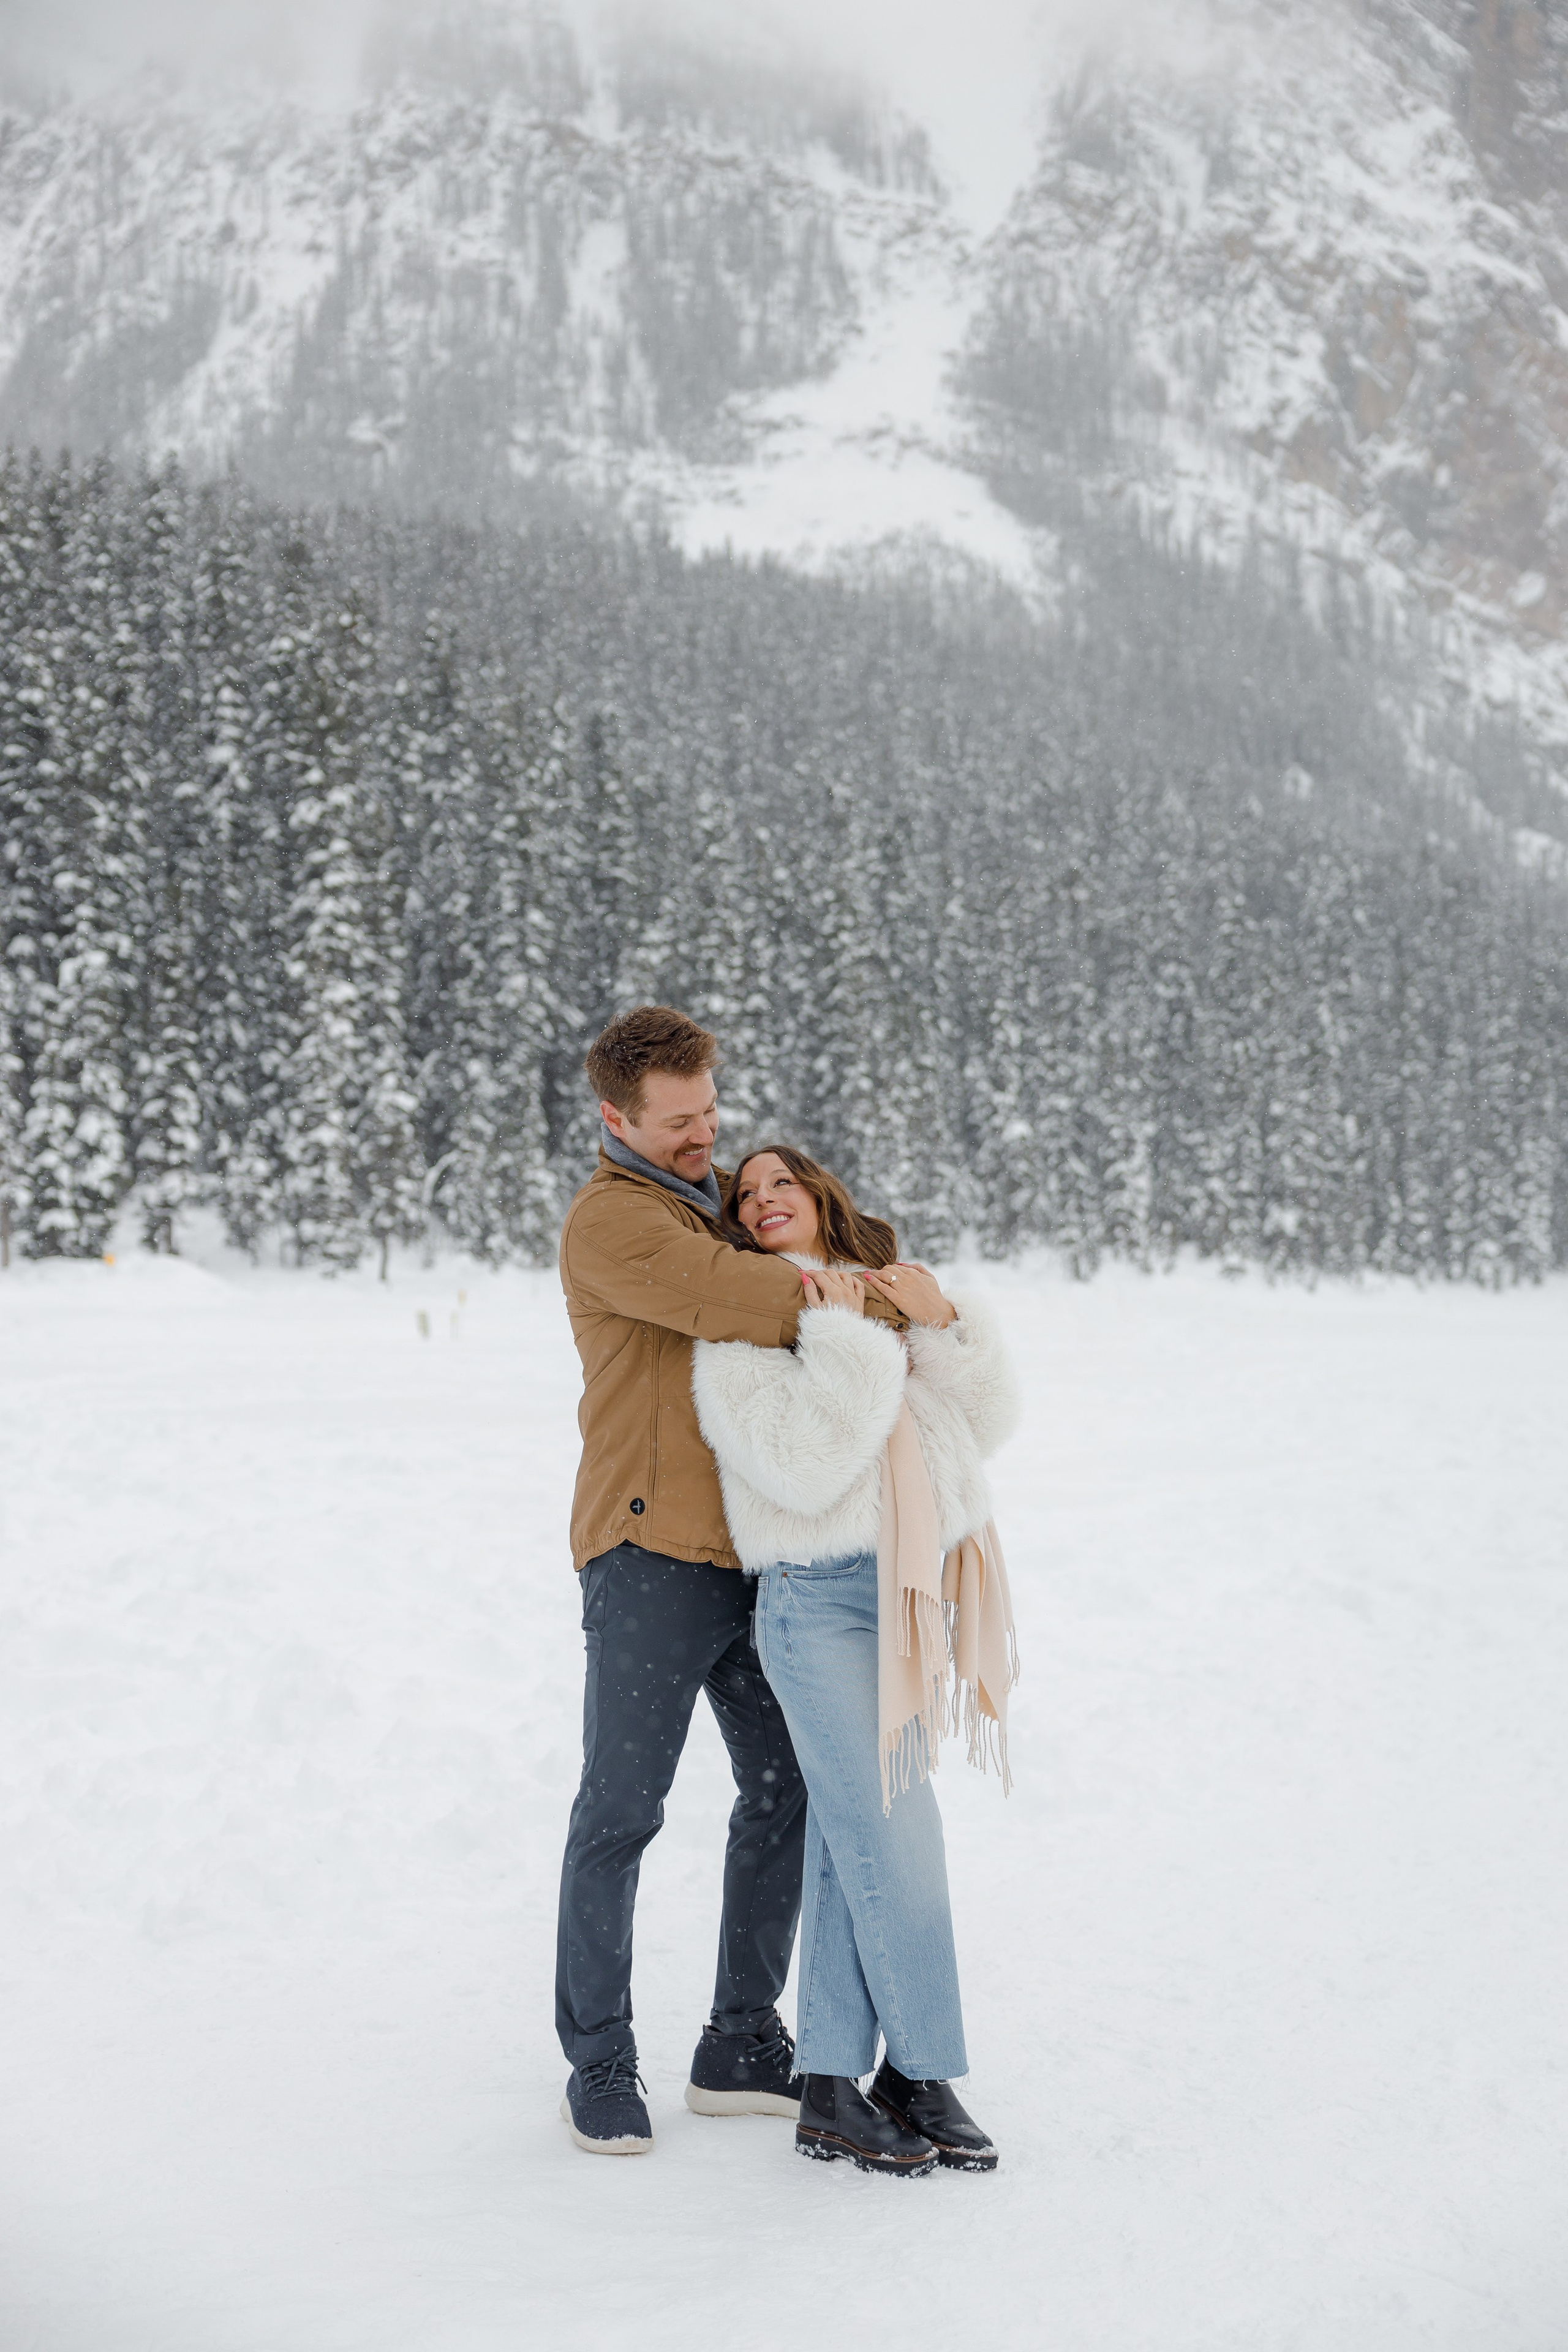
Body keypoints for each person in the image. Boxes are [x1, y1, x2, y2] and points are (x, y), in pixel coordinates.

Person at [554, 1008, 909, 2156]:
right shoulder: (615, 1221)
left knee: (784, 1791)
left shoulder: (704, 1202)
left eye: (711, 1110)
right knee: (622, 1812)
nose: (707, 1134)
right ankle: (601, 2061)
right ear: (617, 1120)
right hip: (649, 1556)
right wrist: (889, 1291)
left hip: (758, 1564)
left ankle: (741, 2040)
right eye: (680, 1121)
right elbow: (744, 1296)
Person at [692, 1144, 1019, 2177]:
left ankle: (833, 2086)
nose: (761, 1198)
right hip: (815, 1604)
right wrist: (839, 1330)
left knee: (850, 1843)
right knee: (896, 1836)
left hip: (906, 1599)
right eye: (743, 1196)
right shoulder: (743, 1332)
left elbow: (986, 1425)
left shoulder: (890, 1301)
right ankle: (921, 2070)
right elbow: (808, 1462)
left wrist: (942, 1326)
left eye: (778, 1180)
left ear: (820, 1193)